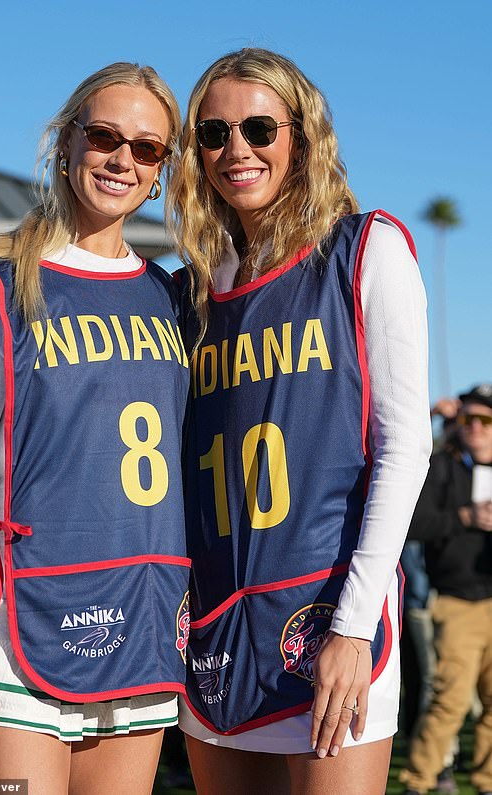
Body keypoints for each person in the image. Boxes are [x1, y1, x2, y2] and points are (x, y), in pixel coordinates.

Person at [0, 62, 190, 795]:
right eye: (104, 136)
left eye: (147, 147)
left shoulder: (169, 296)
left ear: (162, 169)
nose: (122, 159)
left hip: (143, 613)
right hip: (14, 629)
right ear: (66, 143)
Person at [168, 48, 432, 794]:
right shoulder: (194, 289)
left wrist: (351, 626)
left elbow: (405, 447)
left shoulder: (366, 248)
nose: (236, 150)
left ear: (303, 136)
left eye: (258, 127)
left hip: (327, 615)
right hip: (220, 622)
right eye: (213, 134)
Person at [401, 384, 492, 795]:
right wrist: (464, 516)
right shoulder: (441, 466)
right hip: (455, 603)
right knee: (450, 702)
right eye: (467, 418)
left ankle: (487, 781)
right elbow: (413, 524)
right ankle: (418, 781)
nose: (475, 427)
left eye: (485, 420)